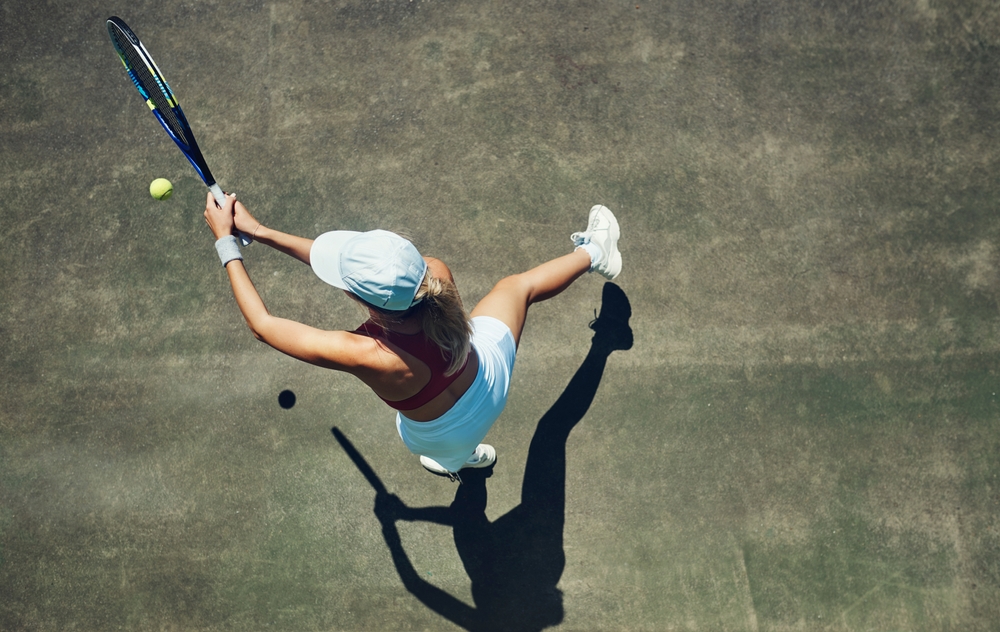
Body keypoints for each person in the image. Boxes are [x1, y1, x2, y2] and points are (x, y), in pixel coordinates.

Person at [203, 192, 622, 481]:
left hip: (443, 437)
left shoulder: (370, 355)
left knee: (456, 451)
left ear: (355, 297)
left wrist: (227, 241)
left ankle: (465, 460)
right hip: (490, 380)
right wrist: (256, 230)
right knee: (518, 288)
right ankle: (595, 253)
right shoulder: (434, 274)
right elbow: (364, 276)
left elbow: (263, 325)